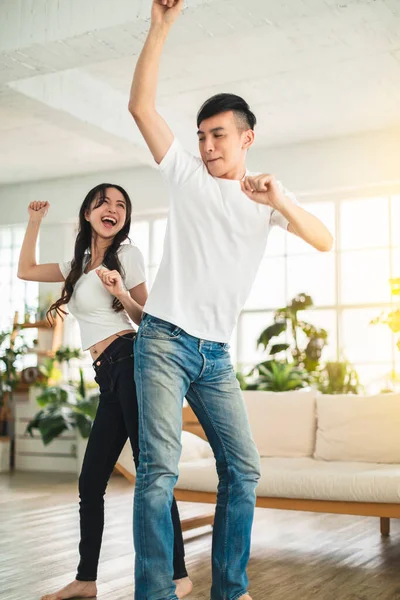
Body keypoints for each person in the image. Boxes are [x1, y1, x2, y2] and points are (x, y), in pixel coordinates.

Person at [128, 1, 334, 599]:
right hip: (164, 341)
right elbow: (141, 107)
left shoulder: (267, 200)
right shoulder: (187, 176)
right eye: (202, 136)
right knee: (158, 473)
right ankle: (156, 594)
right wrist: (160, 27)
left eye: (219, 135)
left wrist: (280, 201)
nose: (208, 145)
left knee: (243, 468)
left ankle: (230, 588)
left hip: (215, 355)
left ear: (247, 139)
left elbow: (324, 240)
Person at [17, 184, 192, 600]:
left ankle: (179, 575)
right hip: (107, 376)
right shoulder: (76, 264)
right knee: (91, 480)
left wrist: (121, 293)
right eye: (104, 202)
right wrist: (35, 221)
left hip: (131, 362)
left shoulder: (127, 256)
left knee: (151, 473)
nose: (113, 209)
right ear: (88, 213)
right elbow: (25, 270)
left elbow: (149, 320)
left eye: (121, 205)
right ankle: (86, 579)